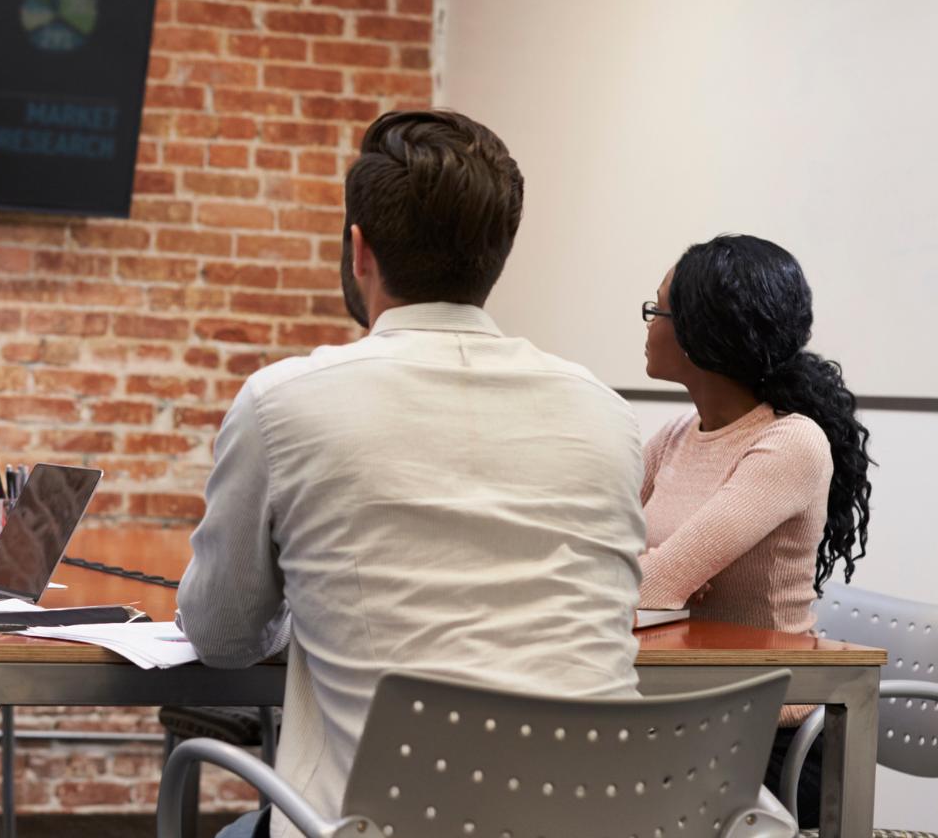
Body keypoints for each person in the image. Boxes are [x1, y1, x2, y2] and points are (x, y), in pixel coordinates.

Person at [177, 110, 649, 838]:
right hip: (596, 820)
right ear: (499, 254)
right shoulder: (608, 417)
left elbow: (223, 636)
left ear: (359, 250)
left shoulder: (283, 403)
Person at [637, 233, 874, 828]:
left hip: (771, 745)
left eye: (657, 310)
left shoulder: (789, 443)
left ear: (700, 333)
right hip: (689, 716)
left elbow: (647, 586)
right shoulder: (674, 436)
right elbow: (598, 550)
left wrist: (636, 570)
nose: (646, 324)